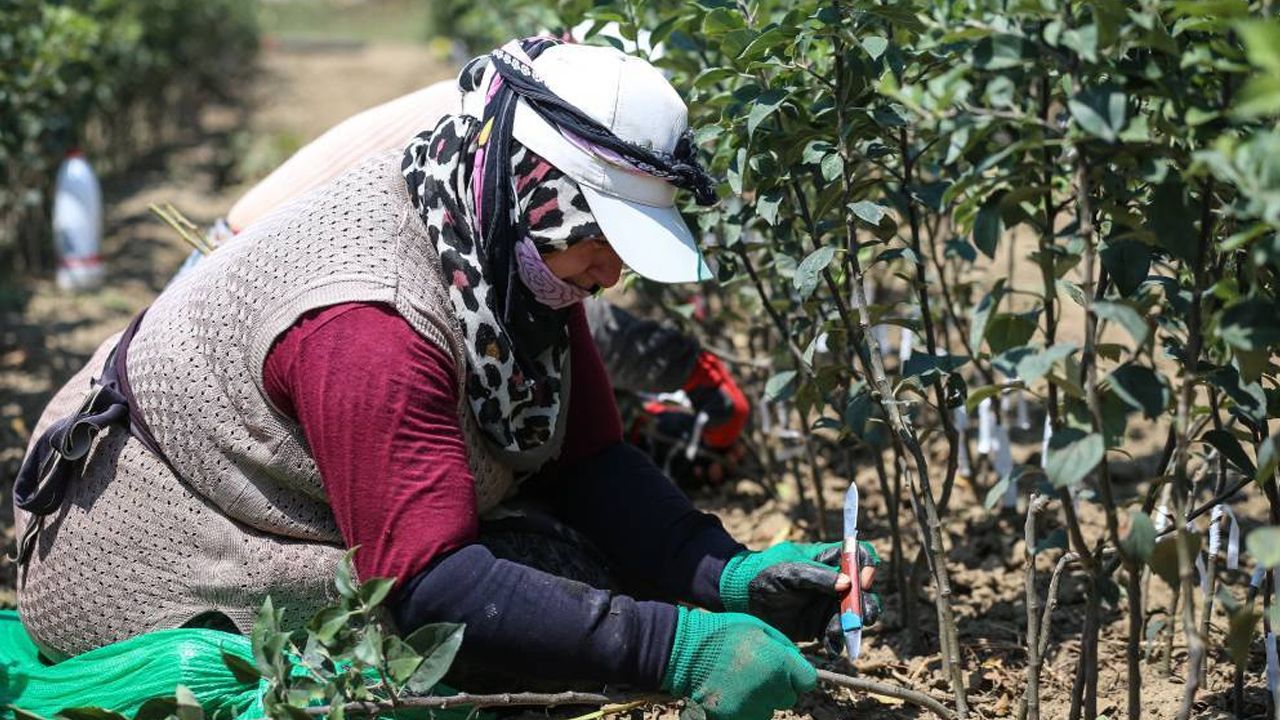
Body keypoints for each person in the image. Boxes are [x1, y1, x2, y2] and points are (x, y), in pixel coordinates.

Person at [14, 39, 878, 720]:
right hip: (149, 555)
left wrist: (728, 575)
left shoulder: (509, 251)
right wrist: (678, 649)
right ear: (539, 193)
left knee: (563, 576)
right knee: (526, 604)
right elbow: (435, 588)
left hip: (292, 512)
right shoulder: (371, 321)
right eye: (604, 241)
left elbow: (588, 463)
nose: (614, 274)